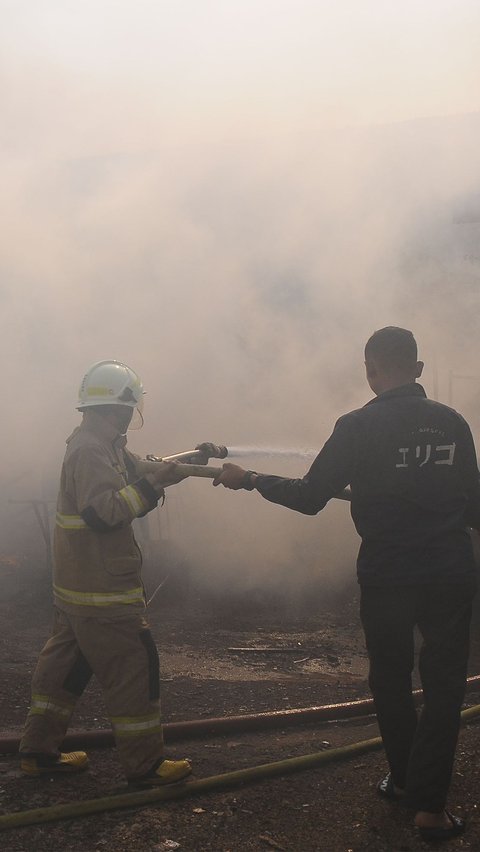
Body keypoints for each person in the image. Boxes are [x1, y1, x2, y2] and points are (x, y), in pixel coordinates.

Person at [213, 326, 480, 842]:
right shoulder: (453, 424)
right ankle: (429, 806)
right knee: (446, 685)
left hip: (387, 575)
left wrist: (249, 480)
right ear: (419, 369)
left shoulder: (357, 426)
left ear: (370, 369)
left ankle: (405, 783)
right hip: (449, 571)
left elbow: (312, 495)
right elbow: (474, 502)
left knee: (390, 677)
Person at [19, 360, 192, 787]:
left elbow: (138, 468)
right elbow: (103, 513)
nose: (132, 414)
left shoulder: (100, 441)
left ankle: (38, 752)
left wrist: (189, 460)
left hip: (78, 590)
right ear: (120, 407)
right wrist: (154, 488)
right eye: (131, 407)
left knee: (63, 672)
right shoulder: (91, 450)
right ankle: (145, 765)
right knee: (134, 665)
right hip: (103, 592)